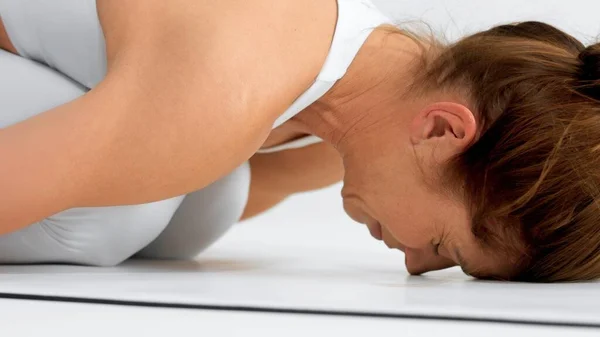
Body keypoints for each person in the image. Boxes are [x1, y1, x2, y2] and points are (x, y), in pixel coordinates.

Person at [0, 0, 599, 283]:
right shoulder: (224, 92)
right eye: (444, 246)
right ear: (443, 130)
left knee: (204, 196)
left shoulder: (350, 92)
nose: (417, 265)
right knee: (123, 214)